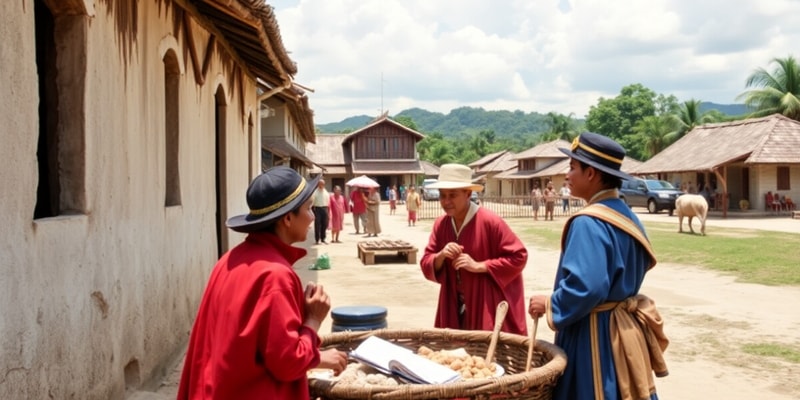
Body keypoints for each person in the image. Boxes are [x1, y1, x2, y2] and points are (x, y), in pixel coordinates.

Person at [177, 166, 348, 400]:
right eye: (308, 209)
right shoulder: (275, 275)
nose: (313, 217)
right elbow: (287, 362)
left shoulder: (230, 260)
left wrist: (316, 357)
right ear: (287, 218)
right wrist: (313, 320)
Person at [528, 133, 668, 400]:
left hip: (594, 336)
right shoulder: (628, 216)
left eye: (572, 167)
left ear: (590, 174)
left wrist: (549, 303)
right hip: (625, 333)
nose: (567, 175)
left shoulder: (588, 222)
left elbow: (587, 287)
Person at [420, 163, 528, 335]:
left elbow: (519, 256)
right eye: (442, 195)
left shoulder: (490, 222)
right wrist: (441, 256)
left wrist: (480, 266)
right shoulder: (441, 225)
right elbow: (426, 261)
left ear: (468, 194)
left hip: (485, 302)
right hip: (452, 303)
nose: (446, 201)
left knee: (485, 356)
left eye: (452, 195)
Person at [311, 178, 330, 244]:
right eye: (320, 184)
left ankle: (323, 238)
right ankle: (317, 239)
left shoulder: (325, 191)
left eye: (323, 184)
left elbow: (328, 201)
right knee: (317, 224)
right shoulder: (315, 192)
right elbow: (312, 202)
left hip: (325, 208)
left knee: (324, 224)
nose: (322, 185)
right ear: (318, 184)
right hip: (317, 209)